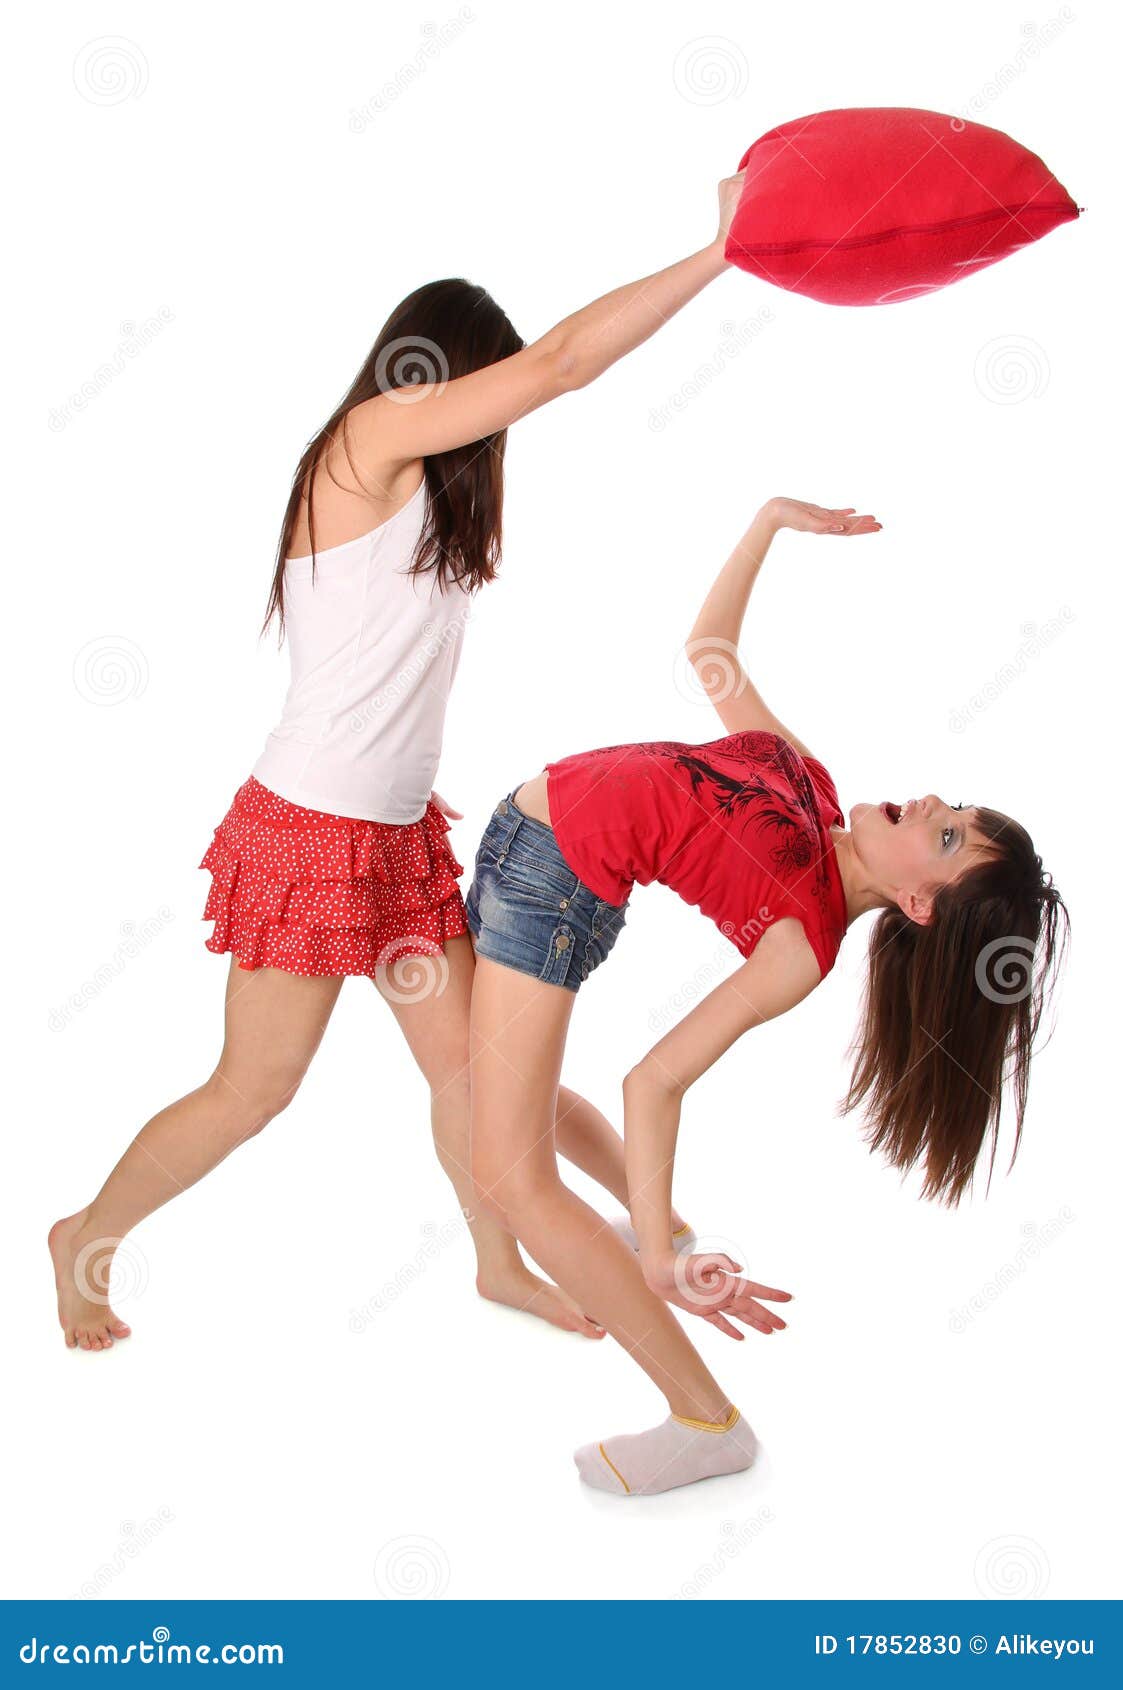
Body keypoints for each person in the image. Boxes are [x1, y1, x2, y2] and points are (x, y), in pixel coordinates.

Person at [50, 177, 746, 1351]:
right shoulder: (366, 444)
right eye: (484, 387)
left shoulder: (430, 498)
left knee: (479, 1078)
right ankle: (85, 1234)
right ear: (432, 378)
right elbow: (568, 362)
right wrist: (719, 252)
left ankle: (495, 1263)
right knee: (253, 1091)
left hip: (396, 836)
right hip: (311, 831)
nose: (495, 416)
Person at [465, 496, 1068, 1496]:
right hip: (525, 849)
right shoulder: (812, 788)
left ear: (917, 901)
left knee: (509, 1172)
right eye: (955, 807)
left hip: (551, 890)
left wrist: (652, 1248)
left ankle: (707, 1421)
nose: (931, 803)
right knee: (486, 1098)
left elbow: (654, 1079)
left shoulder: (801, 940)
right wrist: (769, 523)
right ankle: (655, 1239)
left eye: (949, 836)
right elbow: (710, 653)